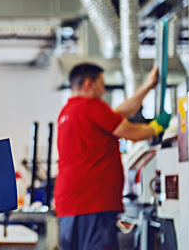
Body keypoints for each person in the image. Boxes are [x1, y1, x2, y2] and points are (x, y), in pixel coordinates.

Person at [54, 63, 171, 250]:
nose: (103, 88)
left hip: (70, 204)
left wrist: (148, 86)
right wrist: (158, 126)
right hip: (94, 203)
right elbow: (133, 133)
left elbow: (121, 112)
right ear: (88, 84)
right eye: (100, 83)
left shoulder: (69, 111)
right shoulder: (92, 107)